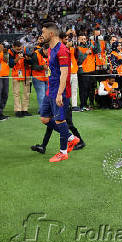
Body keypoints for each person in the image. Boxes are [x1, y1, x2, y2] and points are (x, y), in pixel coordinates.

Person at [39, 22, 81, 162]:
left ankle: (63, 152)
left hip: (59, 91)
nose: (41, 35)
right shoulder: (51, 49)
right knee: (44, 118)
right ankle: (70, 137)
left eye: (44, 32)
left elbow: (64, 74)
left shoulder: (62, 50)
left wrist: (59, 94)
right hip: (50, 89)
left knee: (60, 120)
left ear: (51, 34)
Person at [9, 42, 32, 118]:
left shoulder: (25, 50)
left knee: (26, 92)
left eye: (20, 48)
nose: (19, 50)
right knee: (16, 93)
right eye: (17, 49)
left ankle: (24, 110)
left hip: (26, 73)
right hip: (16, 74)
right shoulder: (10, 52)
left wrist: (28, 59)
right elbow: (11, 64)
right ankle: (18, 110)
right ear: (13, 47)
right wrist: (18, 58)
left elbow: (31, 61)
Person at [31, 43, 49, 114]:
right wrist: (42, 67)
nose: (49, 53)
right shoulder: (36, 54)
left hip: (47, 77)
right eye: (48, 51)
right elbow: (33, 67)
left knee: (47, 95)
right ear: (44, 49)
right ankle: (42, 110)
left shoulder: (50, 54)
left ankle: (46, 109)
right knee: (41, 95)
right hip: (38, 77)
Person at [0, 43, 10, 121]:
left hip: (5, 75)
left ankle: (1, 112)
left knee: (5, 94)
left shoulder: (4, 52)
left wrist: (5, 52)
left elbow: (6, 61)